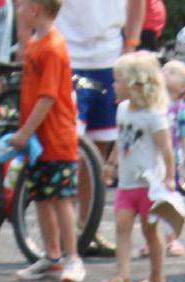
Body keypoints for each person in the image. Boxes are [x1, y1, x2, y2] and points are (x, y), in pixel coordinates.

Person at [55, 0, 147, 258]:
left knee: (98, 149)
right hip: (68, 56)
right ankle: (63, 230)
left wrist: (131, 43)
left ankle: (86, 227)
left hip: (109, 59)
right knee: (68, 149)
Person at [10, 0, 85, 282]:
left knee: (62, 199)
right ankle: (52, 256)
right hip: (38, 139)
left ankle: (73, 257)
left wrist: (25, 132)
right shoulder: (35, 43)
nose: (18, 10)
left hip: (56, 137)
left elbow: (48, 97)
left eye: (22, 5)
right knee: (41, 197)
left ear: (36, 10)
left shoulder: (53, 48)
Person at [101, 52, 175, 282]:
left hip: (149, 185)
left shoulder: (154, 115)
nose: (114, 85)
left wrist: (170, 177)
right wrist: (111, 163)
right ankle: (123, 275)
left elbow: (166, 149)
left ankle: (157, 277)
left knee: (149, 230)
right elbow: (121, 139)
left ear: (135, 84)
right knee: (122, 225)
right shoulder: (123, 110)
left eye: (118, 80)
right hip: (127, 183)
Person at [160, 58, 185, 257]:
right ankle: (153, 240)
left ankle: (172, 239)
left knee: (169, 198)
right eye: (164, 69)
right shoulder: (154, 104)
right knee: (150, 200)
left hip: (171, 160)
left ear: (183, 87)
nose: (165, 72)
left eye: (172, 72)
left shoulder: (182, 109)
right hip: (153, 159)